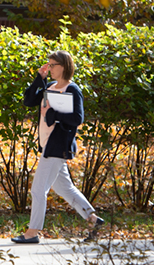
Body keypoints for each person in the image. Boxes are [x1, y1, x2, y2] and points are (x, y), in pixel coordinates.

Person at [13, 50, 105, 244]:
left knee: (38, 190)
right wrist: (39, 78)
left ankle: (32, 232)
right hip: (47, 145)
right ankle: (93, 219)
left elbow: (77, 118)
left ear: (64, 66)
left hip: (57, 146)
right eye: (49, 64)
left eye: (53, 65)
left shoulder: (72, 90)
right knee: (64, 188)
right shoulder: (49, 86)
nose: (50, 68)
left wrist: (55, 114)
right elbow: (29, 101)